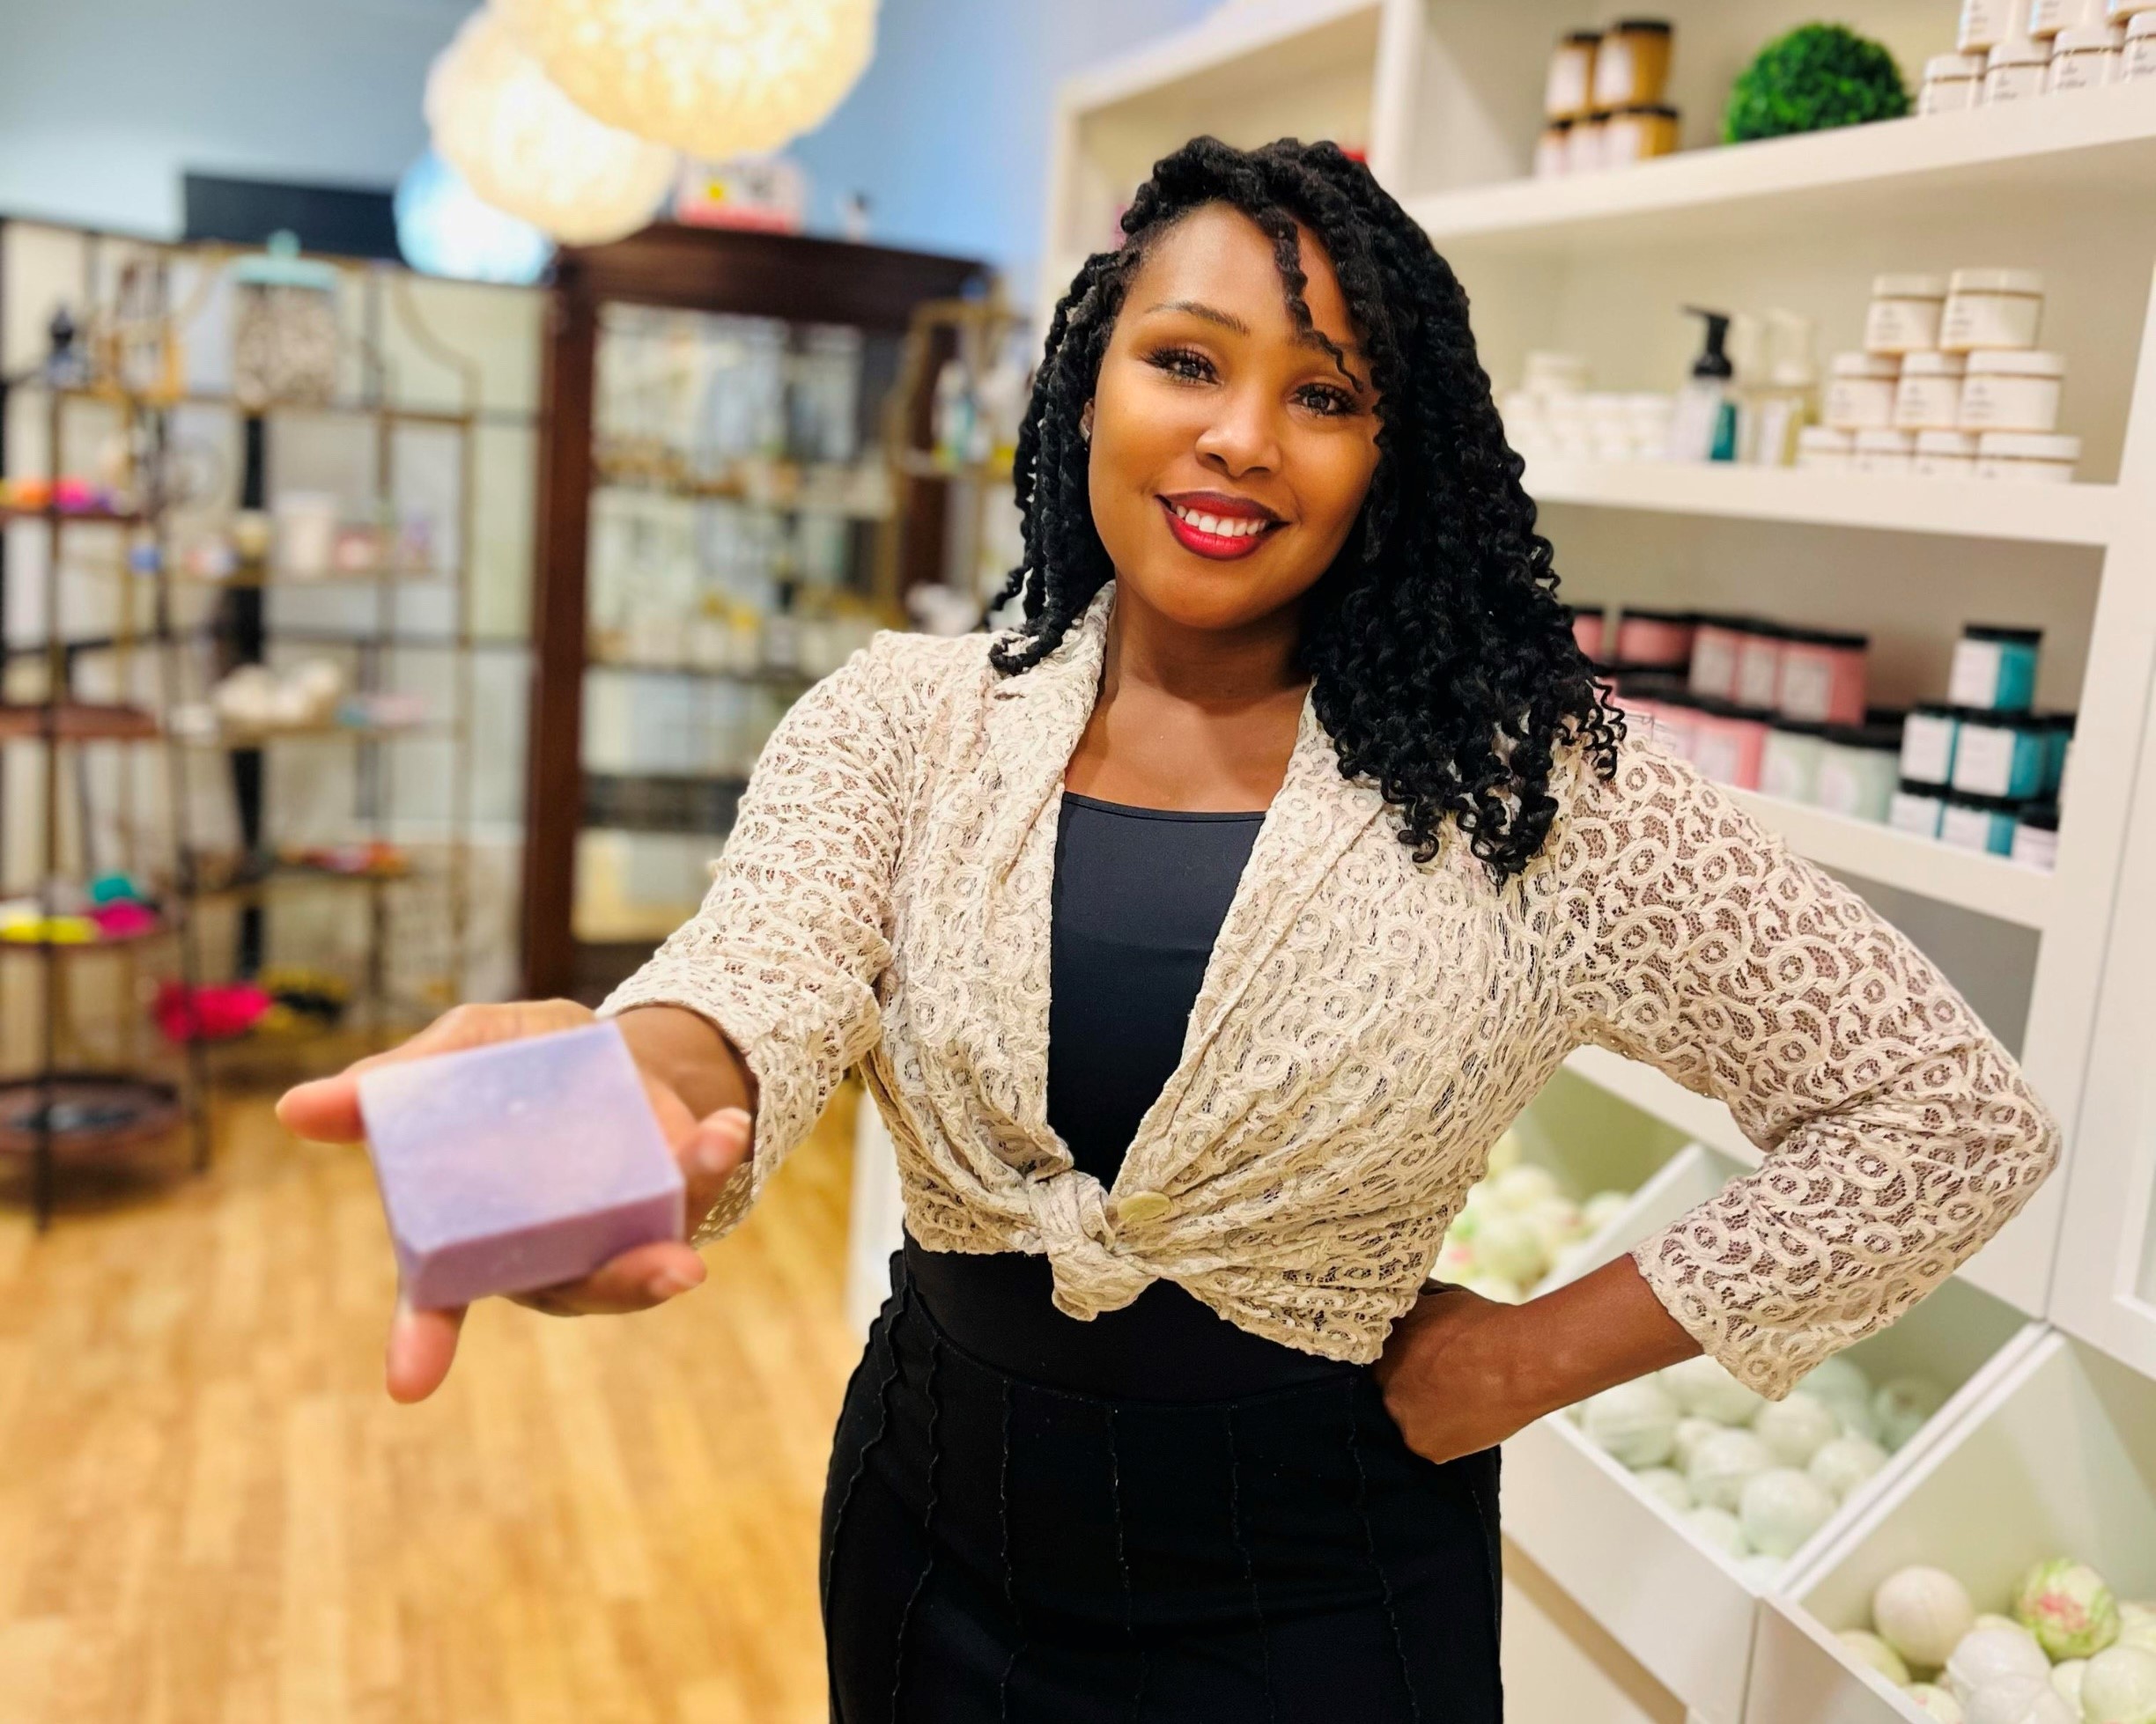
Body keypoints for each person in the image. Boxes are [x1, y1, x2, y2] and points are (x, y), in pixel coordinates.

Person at [278, 137, 2061, 1721]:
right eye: (1185, 360)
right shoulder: (903, 724)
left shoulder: (1536, 795)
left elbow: (1945, 1114)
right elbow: (756, 978)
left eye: (1325, 393)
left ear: (1392, 456)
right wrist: (618, 1102)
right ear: (1089, 388)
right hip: (929, 1545)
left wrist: (1522, 1359)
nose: (1236, 434)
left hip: (1324, 1592)